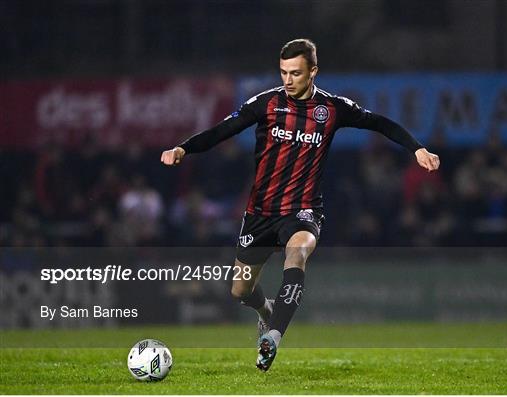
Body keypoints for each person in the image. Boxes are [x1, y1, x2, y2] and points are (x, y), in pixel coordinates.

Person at [161, 38, 440, 371]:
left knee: (298, 254)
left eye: (295, 73)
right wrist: (183, 149)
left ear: (313, 72)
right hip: (260, 213)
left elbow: (379, 123)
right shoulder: (266, 104)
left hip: (303, 210)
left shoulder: (333, 109)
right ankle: (267, 311)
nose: (287, 80)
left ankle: (273, 338)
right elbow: (223, 130)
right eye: (283, 72)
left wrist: (417, 149)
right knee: (239, 290)